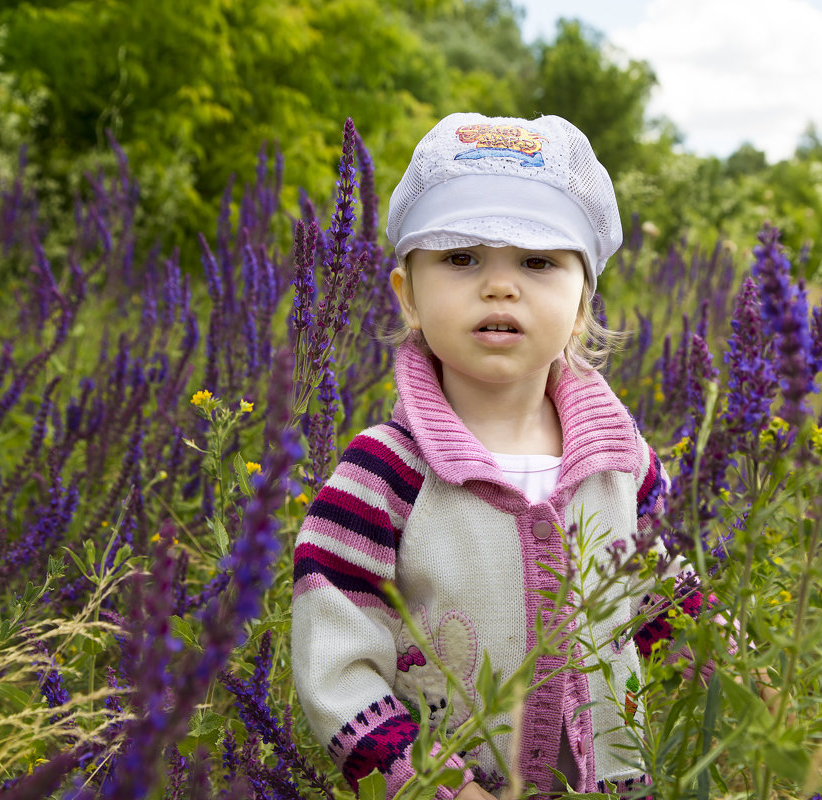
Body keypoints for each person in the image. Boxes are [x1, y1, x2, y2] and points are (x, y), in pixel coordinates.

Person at [291, 113, 715, 799]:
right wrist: (423, 779)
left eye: (538, 260)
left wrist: (723, 659)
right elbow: (335, 658)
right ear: (409, 294)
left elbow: (657, 587)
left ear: (581, 304)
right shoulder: (384, 474)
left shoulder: (620, 459)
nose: (500, 285)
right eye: (461, 257)